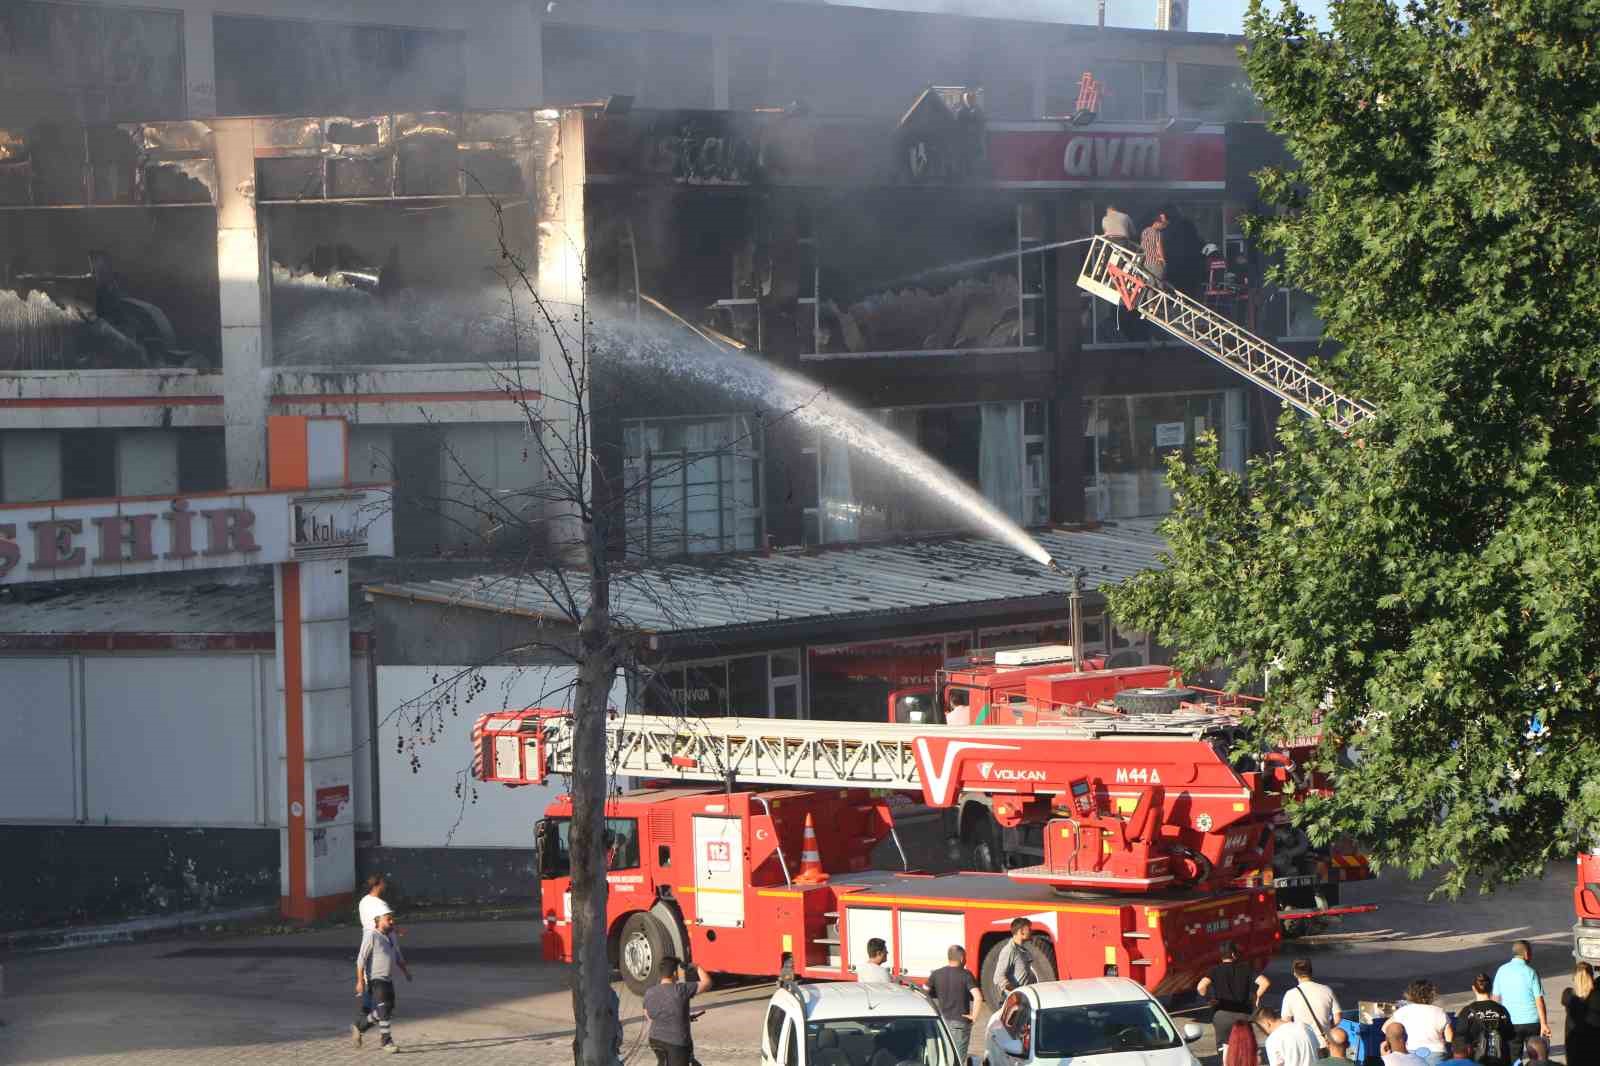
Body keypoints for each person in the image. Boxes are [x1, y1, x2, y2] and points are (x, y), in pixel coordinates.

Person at [1199, 940, 1272, 1057]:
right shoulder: (1246, 968)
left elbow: (1201, 987)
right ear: (1233, 954)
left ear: (1221, 956)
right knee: (1244, 1048)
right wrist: (1256, 996)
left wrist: (1209, 999)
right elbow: (1265, 982)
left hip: (1221, 1016)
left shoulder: (1215, 970)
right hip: (1243, 1015)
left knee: (1225, 1049)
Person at [354, 909, 412, 1054]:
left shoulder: (391, 936)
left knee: (387, 1009)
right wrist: (360, 981)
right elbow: (361, 960)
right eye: (388, 919)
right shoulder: (372, 936)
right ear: (378, 920)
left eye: (392, 919)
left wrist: (406, 972)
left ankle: (360, 1027)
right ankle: (386, 1041)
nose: (392, 921)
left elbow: (397, 956)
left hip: (388, 978)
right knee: (385, 1008)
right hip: (375, 979)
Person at [644, 955, 712, 1066]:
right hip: (677, 1043)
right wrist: (697, 967)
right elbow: (707, 983)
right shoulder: (681, 989)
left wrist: (680, 1017)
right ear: (675, 973)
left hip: (655, 1040)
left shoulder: (649, 992)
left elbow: (649, 1015)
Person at [1494, 940, 1551, 1062]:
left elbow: (1495, 999)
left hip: (1511, 1023)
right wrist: (1544, 1023)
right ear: (1526, 953)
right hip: (1532, 1022)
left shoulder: (1501, 970)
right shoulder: (1531, 972)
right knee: (1537, 1055)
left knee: (1514, 1058)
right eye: (1530, 952)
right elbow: (1539, 1000)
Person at [353, 875, 390, 1046]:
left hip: (366, 939)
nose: (386, 884)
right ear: (378, 885)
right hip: (379, 942)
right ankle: (382, 1035)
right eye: (384, 882)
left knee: (370, 979)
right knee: (382, 994)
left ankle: (363, 1019)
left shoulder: (363, 902)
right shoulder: (381, 905)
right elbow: (385, 924)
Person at [926, 945, 982, 1057]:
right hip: (960, 1023)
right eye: (965, 958)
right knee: (957, 1058)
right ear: (962, 958)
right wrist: (974, 1016)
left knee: (942, 1057)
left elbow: (923, 994)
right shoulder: (966, 974)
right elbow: (978, 997)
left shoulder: (936, 974)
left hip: (941, 1022)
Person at [1282, 957, 1343, 1051]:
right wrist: (1327, 1028)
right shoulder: (1326, 990)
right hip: (1324, 1042)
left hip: (1303, 1044)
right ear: (1311, 972)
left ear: (1295, 973)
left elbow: (1286, 1022)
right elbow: (1338, 1017)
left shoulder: (1290, 994)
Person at [1458, 972, 1515, 1066]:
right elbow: (1510, 1034)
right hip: (1499, 1058)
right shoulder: (1501, 1009)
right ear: (1491, 988)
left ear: (1473, 988)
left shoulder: (1467, 1011)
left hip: (1476, 1059)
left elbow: (1460, 1036)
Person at [1391, 979, 1452, 1065]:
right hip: (1436, 1052)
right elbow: (1449, 1037)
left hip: (1412, 1050)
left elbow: (1387, 1029)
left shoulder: (1403, 1011)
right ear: (1432, 994)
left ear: (1410, 994)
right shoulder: (1439, 1011)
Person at [991, 918, 1039, 1002]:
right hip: (1013, 1002)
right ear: (1021, 932)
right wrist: (1016, 992)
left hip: (1023, 999)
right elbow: (998, 977)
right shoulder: (1009, 951)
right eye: (1029, 929)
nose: (1032, 931)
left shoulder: (1022, 950)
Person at [1561, 961, 1597, 1052]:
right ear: (1591, 977)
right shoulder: (1595, 998)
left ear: (1574, 978)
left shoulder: (1568, 996)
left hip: (1574, 1047)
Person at [1139, 211, 1170, 285]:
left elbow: (1142, 246)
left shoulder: (1145, 231)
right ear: (1157, 223)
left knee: (1150, 285)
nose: (1164, 226)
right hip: (1156, 263)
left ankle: (1149, 297)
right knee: (1159, 286)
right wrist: (1163, 260)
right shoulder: (1158, 233)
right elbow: (1159, 248)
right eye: (1163, 224)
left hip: (1145, 263)